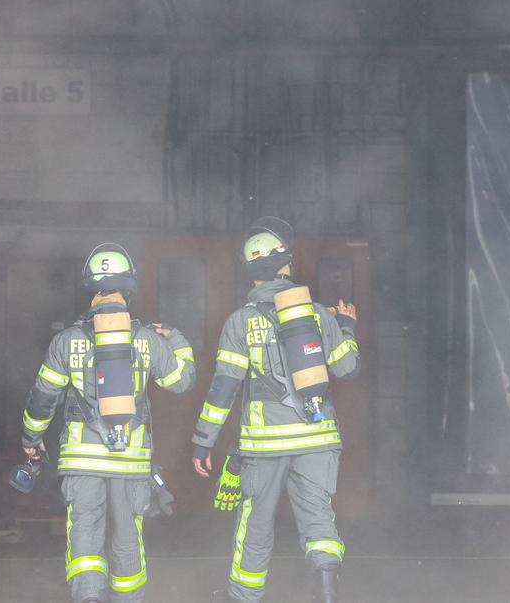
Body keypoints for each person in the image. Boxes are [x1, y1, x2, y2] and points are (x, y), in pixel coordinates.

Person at [191, 217, 361, 603]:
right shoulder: (319, 315)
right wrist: (347, 327)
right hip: (318, 436)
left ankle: (242, 597)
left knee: (255, 526)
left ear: (250, 273)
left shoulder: (240, 323)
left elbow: (224, 389)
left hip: (264, 443)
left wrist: (204, 443)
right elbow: (348, 369)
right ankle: (327, 586)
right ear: (287, 264)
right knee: (318, 516)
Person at [20, 243, 196, 603]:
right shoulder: (145, 339)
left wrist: (31, 437)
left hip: (82, 460)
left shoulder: (67, 341)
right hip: (131, 461)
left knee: (84, 535)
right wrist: (174, 337)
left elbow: (43, 397)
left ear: (91, 290)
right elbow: (182, 380)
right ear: (128, 290)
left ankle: (88, 598)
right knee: (128, 539)